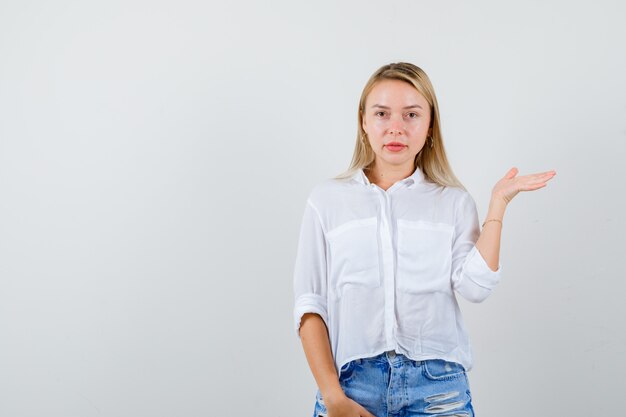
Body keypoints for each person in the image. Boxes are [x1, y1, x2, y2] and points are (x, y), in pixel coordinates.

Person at [292, 62, 556, 417]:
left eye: (412, 114)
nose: (396, 128)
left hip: (438, 390)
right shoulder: (326, 200)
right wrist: (333, 396)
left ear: (430, 125)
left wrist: (498, 204)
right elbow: (310, 305)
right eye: (382, 113)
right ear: (364, 122)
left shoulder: (453, 202)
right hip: (351, 387)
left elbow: (476, 287)